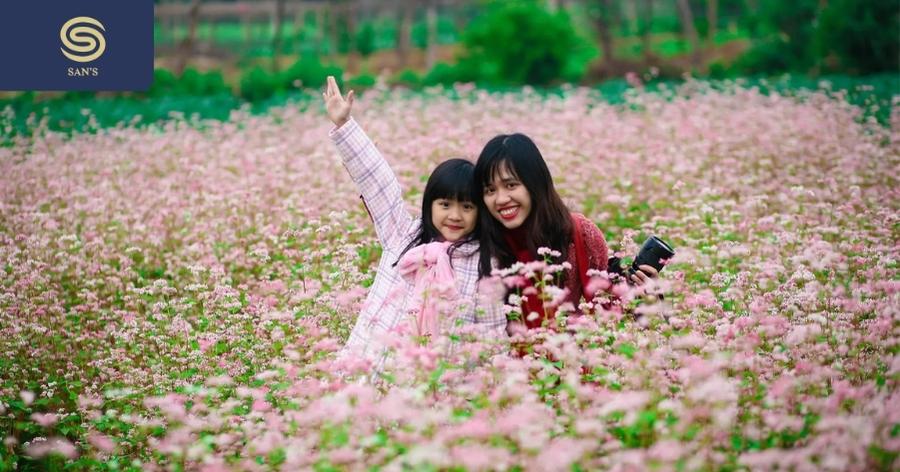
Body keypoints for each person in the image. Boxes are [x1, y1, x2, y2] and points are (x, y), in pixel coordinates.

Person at [323, 77, 506, 373]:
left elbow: (492, 335)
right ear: (430, 205)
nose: (455, 216)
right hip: (368, 374)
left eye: (467, 206)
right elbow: (378, 183)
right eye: (445, 205)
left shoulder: (485, 264)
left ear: (480, 212)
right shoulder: (403, 237)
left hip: (435, 391)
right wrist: (346, 126)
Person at [473, 133, 659, 334]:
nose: (500, 199)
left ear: (535, 183)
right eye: (490, 190)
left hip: (573, 360)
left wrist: (644, 297)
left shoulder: (579, 234)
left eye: (511, 185)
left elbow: (610, 308)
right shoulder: (480, 244)